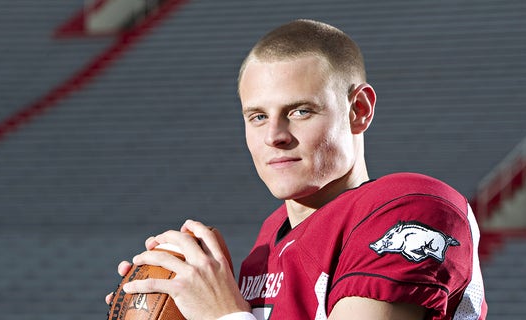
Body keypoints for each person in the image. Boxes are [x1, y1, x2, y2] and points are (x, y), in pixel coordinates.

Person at [106, 19, 487, 320]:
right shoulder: (267, 242)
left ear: (360, 110)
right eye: (257, 116)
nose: (274, 136)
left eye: (300, 111)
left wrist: (222, 314)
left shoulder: (409, 208)